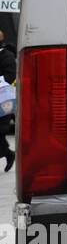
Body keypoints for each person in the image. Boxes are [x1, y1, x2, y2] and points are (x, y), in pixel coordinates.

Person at [0, 30, 15, 172]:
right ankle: (8, 154)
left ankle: (8, 154)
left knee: (0, 131)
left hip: (4, 100)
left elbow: (10, 76)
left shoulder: (7, 56)